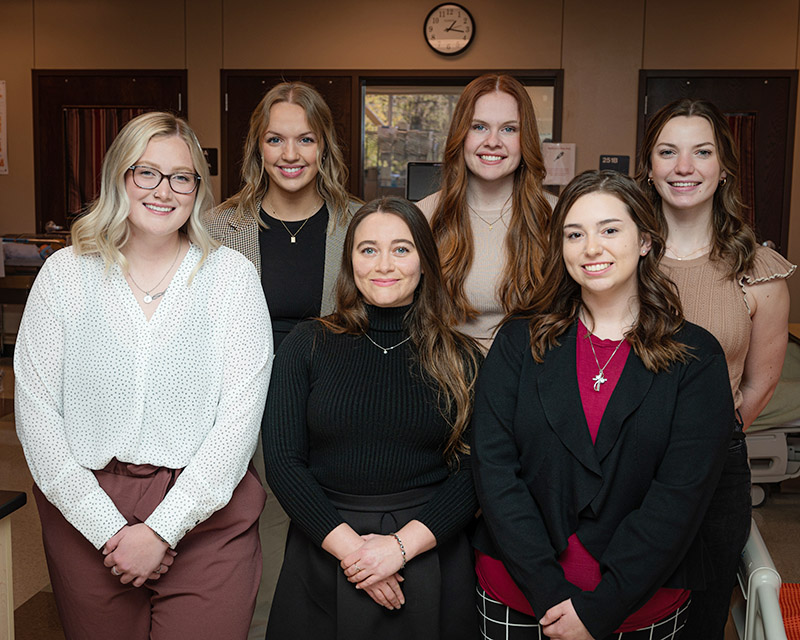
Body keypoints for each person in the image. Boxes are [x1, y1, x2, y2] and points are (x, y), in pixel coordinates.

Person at [14, 112, 272, 639]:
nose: (164, 190)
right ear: (119, 176)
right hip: (86, 505)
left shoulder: (232, 280)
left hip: (206, 510)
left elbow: (239, 425)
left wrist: (161, 529)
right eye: (146, 173)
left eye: (182, 177)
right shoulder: (64, 275)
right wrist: (109, 529)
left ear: (197, 189)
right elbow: (36, 418)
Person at [471, 170, 734, 640]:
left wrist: (602, 607)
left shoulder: (697, 356)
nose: (591, 248)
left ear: (646, 241)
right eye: (575, 234)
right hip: (520, 592)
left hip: (639, 601)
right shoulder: (518, 339)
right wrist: (550, 593)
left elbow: (680, 497)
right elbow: (494, 469)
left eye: (610, 229)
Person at [263, 196, 482, 639]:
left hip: (429, 551)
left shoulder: (462, 357)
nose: (384, 264)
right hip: (323, 544)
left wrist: (400, 549)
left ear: (425, 261)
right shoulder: (306, 345)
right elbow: (284, 464)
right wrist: (355, 554)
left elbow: (477, 471)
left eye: (401, 249)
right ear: (350, 263)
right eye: (368, 249)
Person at [204, 81, 361, 636]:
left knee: (332, 526)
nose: (290, 155)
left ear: (326, 147)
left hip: (331, 397)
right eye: (276, 139)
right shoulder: (221, 227)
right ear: (258, 147)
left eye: (305, 140)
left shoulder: (357, 223)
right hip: (245, 398)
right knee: (255, 523)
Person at [636, 98, 795, 639]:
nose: (684, 168)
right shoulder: (618, 254)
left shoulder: (761, 273)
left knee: (699, 617)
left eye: (701, 152)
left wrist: (708, 442)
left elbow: (758, 382)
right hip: (617, 462)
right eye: (668, 152)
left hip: (712, 472)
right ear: (649, 166)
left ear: (723, 166)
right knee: (620, 607)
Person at [417, 73, 556, 351]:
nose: (493, 141)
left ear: (526, 138)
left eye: (509, 129)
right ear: (461, 135)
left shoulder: (557, 215)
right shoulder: (423, 216)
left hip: (531, 376)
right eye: (479, 127)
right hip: (445, 376)